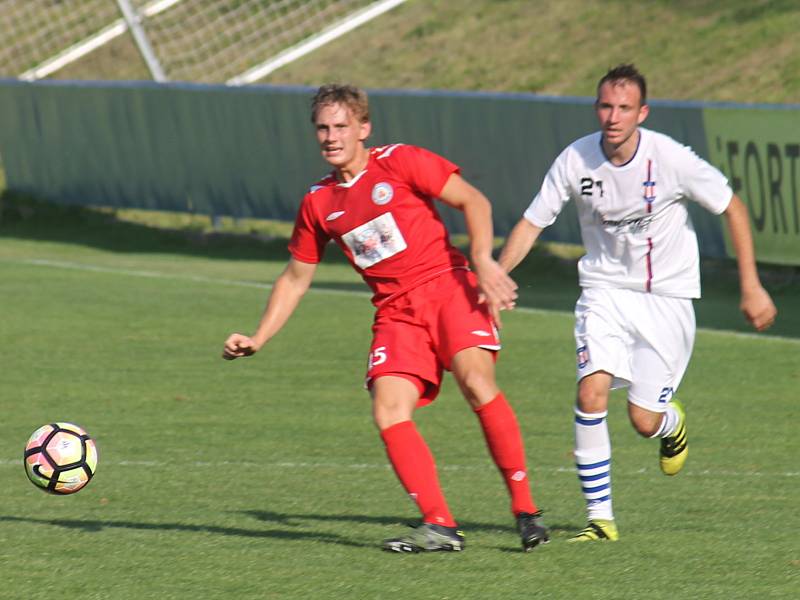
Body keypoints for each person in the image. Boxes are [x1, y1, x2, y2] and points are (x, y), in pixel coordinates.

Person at [222, 83, 549, 553]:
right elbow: (295, 278)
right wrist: (259, 336)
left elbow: (474, 201)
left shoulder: (398, 162)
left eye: (341, 126)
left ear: (363, 128)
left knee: (476, 381)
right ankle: (440, 526)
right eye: (322, 128)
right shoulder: (318, 203)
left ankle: (525, 511)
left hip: (449, 288)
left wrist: (484, 260)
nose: (331, 137)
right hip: (396, 313)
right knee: (387, 409)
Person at [498, 64, 777, 542]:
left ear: (641, 113)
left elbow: (732, 206)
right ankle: (600, 520)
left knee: (642, 420)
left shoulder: (669, 158)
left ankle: (670, 422)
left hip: (666, 300)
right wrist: (496, 276)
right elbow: (532, 221)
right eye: (606, 106)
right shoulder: (576, 159)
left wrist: (751, 286)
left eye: (624, 108)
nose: (613, 116)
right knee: (591, 391)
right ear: (596, 108)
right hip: (604, 292)